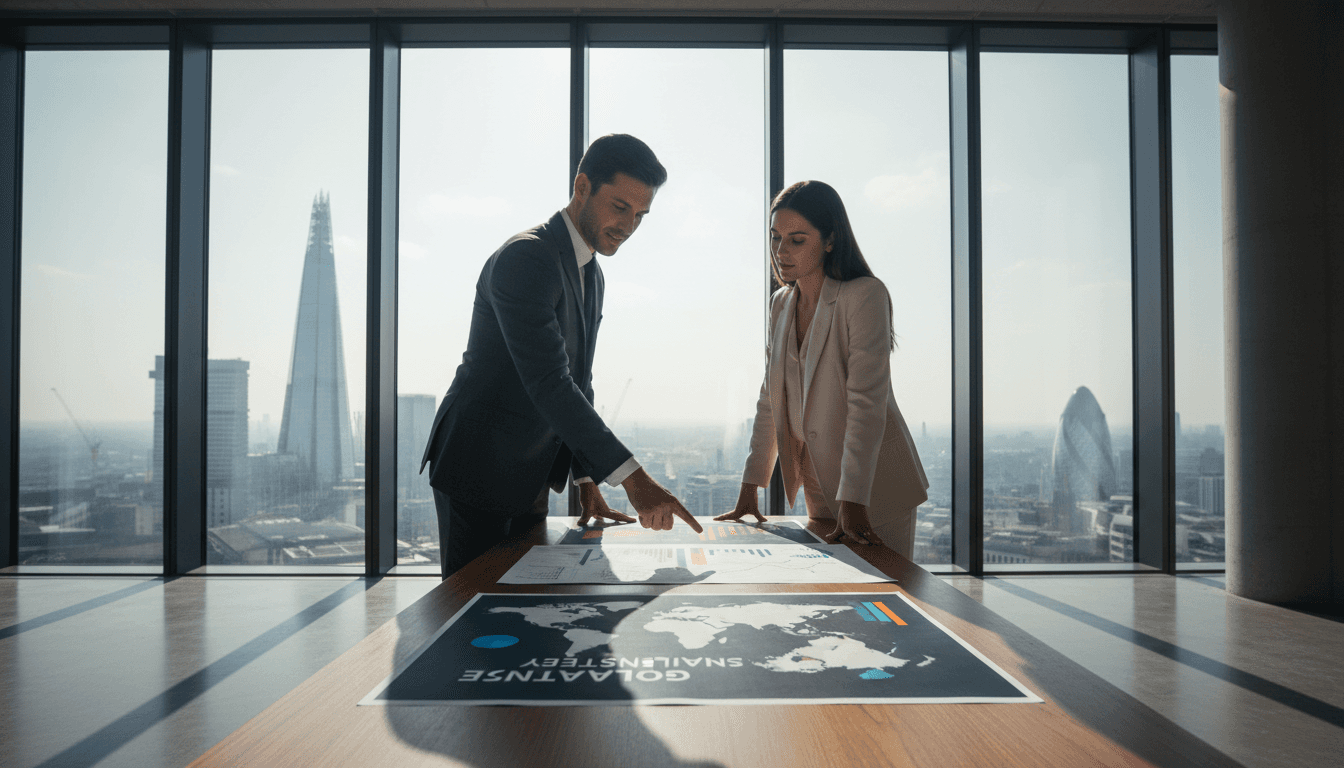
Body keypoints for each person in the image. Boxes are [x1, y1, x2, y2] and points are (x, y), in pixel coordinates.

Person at [420, 134, 700, 578]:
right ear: (582, 187)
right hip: (478, 465)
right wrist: (635, 480)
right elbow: (550, 383)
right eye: (620, 207)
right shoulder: (528, 257)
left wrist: (586, 477)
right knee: (470, 615)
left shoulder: (592, 272)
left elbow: (578, 380)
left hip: (528, 470)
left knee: (518, 606)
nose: (628, 226)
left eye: (640, 215)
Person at [716, 180, 929, 558]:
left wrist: (854, 501)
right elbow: (770, 397)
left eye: (797, 240)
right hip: (817, 483)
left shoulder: (865, 294)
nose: (781, 251)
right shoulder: (780, 304)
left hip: (875, 491)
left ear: (829, 240)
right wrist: (751, 487)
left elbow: (866, 404)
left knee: (884, 602)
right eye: (775, 237)